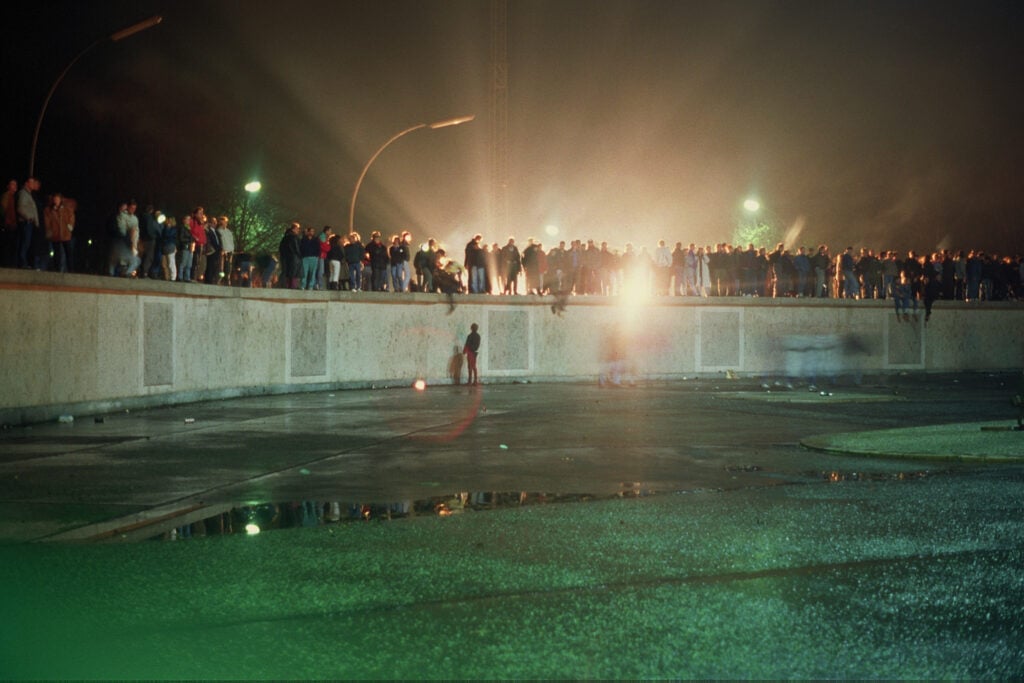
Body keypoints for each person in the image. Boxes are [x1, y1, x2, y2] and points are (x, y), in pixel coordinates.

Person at [43, 192, 75, 273]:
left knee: (69, 252)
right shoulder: (49, 210)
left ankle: (71, 269)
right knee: (56, 253)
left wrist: (69, 227)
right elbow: (47, 221)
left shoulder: (66, 209)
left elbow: (71, 217)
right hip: (55, 234)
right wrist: (49, 230)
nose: (56, 201)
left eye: (57, 199)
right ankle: (57, 269)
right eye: (55, 199)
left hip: (65, 234)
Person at [278, 222, 302, 289]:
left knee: (287, 271)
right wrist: (299, 254)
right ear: (293, 229)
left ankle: (287, 285)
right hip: (292, 257)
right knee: (292, 272)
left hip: (287, 257)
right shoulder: (293, 237)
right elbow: (295, 248)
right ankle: (291, 285)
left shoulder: (286, 237)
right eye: (297, 229)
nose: (298, 230)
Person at [0, 179, 19, 267]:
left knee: (11, 245)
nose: (14, 186)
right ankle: (6, 263)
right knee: (7, 245)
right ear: (8, 186)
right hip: (8, 225)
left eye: (15, 184)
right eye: (12, 184)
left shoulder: (14, 197)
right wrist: (6, 221)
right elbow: (4, 210)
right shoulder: (7, 196)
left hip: (12, 225)